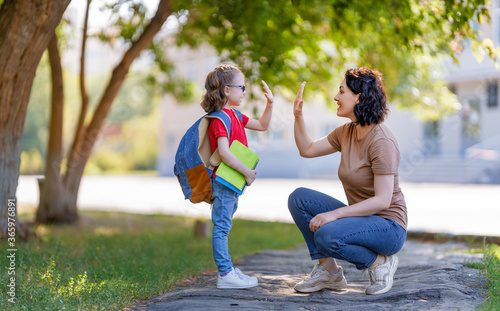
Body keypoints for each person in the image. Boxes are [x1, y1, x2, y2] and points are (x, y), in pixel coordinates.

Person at [288, 67, 407, 295]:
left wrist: (334, 214)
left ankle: (379, 263)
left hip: (388, 227)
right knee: (299, 198)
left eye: (341, 91)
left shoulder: (382, 140)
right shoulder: (347, 132)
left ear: (358, 97)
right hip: (361, 218)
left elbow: (382, 200)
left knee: (326, 235)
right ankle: (329, 273)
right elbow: (307, 149)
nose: (336, 97)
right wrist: (298, 116)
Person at [202, 64, 274, 289]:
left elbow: (262, 125)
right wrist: (247, 172)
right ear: (226, 90)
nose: (244, 91)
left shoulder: (235, 115)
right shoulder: (219, 119)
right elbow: (223, 153)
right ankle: (225, 275)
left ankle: (228, 270)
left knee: (225, 225)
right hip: (223, 181)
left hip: (231, 181)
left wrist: (270, 104)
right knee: (221, 228)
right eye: (241, 87)